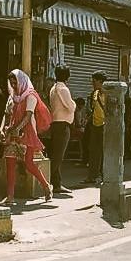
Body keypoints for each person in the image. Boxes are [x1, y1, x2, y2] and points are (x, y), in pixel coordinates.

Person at [0, 69, 53, 205]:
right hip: (12, 133)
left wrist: (17, 129)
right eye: (11, 83)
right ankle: (10, 196)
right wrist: (1, 129)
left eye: (15, 83)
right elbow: (6, 115)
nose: (13, 86)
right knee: (9, 163)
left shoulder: (31, 96)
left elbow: (28, 116)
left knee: (29, 164)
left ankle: (46, 186)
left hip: (26, 133)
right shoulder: (12, 97)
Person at [49, 65, 76, 194]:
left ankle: (57, 184)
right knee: (58, 157)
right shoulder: (63, 89)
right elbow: (70, 106)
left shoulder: (54, 88)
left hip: (55, 123)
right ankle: (47, 181)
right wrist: (74, 103)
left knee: (56, 155)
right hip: (62, 125)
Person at [85, 71, 107, 184]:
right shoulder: (94, 93)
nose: (92, 83)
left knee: (103, 152)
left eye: (94, 81)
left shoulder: (108, 94)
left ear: (100, 82)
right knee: (93, 151)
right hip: (95, 124)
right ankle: (92, 175)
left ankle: (103, 175)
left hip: (104, 125)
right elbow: (93, 108)